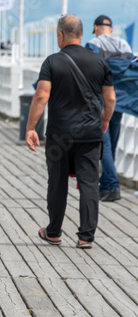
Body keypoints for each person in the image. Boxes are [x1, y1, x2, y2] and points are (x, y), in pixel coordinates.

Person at [26, 15, 116, 249]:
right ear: (82, 34)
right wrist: (104, 120)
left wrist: (30, 127)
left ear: (61, 35)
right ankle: (86, 236)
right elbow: (110, 98)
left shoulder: (52, 61)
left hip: (59, 135)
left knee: (57, 182)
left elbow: (41, 95)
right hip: (90, 133)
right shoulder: (99, 62)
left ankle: (54, 231)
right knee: (88, 182)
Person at [86, 15, 133, 202]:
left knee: (103, 143)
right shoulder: (125, 46)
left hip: (101, 99)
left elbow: (88, 72)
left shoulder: (93, 44)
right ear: (111, 29)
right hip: (120, 100)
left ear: (96, 27)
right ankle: (105, 185)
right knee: (111, 143)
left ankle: (112, 186)